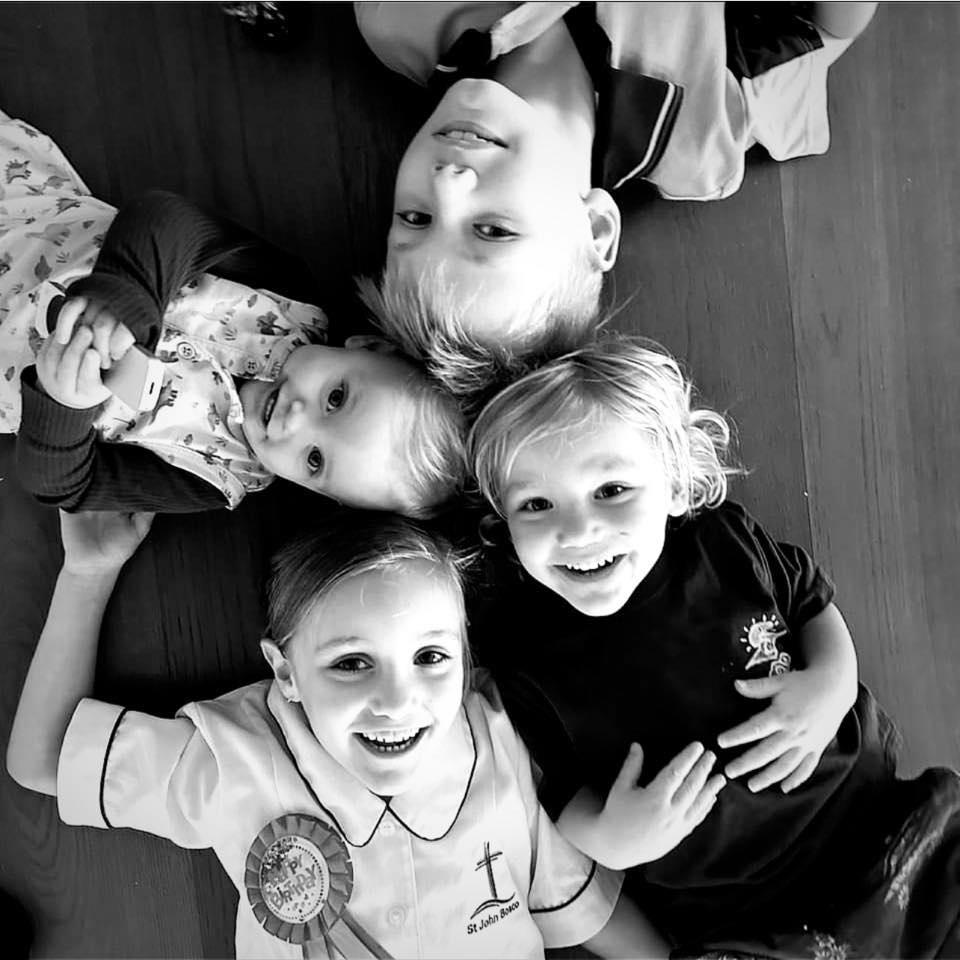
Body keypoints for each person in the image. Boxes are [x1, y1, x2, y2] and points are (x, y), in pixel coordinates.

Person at [467, 334, 960, 956]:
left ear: (674, 487)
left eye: (611, 490)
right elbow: (563, 798)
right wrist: (615, 840)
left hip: (880, 829)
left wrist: (830, 687)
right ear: (505, 525)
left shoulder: (721, 545)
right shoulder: (526, 652)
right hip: (744, 915)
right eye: (536, 505)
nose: (578, 529)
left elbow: (812, 604)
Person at [6, 507, 675, 959]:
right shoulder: (238, 756)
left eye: (431, 657)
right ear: (286, 672)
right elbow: (41, 759)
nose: (397, 701)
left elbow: (581, 906)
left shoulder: (504, 737)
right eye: (352, 663)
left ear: (466, 657)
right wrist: (87, 573)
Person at [353, 2, 877, 409]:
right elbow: (826, 31)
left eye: (416, 219)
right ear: (596, 227)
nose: (447, 183)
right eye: (492, 230)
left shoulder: (400, 19)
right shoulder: (700, 131)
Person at [0, 110, 466, 516]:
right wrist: (124, 298)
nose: (294, 420)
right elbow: (167, 220)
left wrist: (63, 404)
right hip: (30, 221)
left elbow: (69, 486)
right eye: (336, 397)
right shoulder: (288, 296)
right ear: (368, 347)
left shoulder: (218, 475)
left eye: (314, 460)